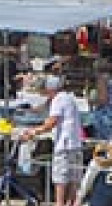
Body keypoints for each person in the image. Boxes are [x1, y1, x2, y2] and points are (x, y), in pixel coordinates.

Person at [22, 76, 83, 206]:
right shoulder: (68, 97)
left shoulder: (58, 100)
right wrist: (30, 110)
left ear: (50, 89)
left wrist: (34, 131)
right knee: (74, 178)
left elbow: (51, 123)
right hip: (76, 143)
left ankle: (59, 203)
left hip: (64, 144)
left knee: (60, 178)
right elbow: (45, 106)